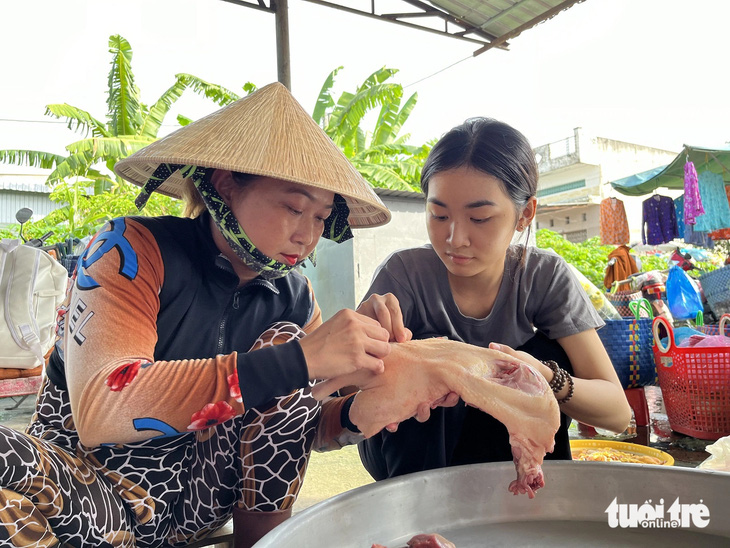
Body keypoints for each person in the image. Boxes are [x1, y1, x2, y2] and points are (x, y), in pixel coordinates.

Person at [0, 83, 405, 548]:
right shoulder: (129, 249)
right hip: (89, 492)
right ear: (226, 183)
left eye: (320, 218)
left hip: (197, 499)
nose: (307, 236)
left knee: (286, 341)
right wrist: (303, 359)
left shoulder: (293, 297)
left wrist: (360, 410)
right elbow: (102, 410)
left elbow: (300, 423)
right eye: (294, 207)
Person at [356, 117, 632, 480]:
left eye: (480, 218)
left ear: (525, 214)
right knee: (426, 356)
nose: (455, 239)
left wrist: (542, 376)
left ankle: (536, 497)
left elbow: (617, 413)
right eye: (438, 215)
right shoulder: (405, 274)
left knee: (547, 356)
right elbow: (345, 398)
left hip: (507, 450)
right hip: (412, 464)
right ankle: (422, 521)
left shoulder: (544, 277)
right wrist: (361, 347)